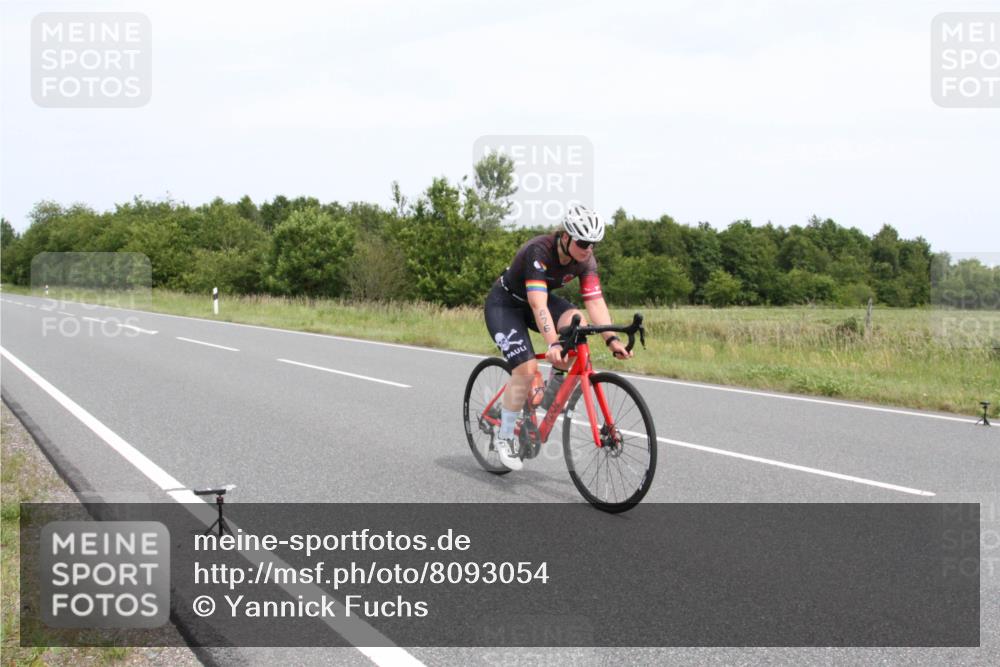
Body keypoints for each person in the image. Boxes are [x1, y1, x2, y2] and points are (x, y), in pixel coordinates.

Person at [483, 205, 632, 470]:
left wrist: (611, 340)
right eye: (583, 242)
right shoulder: (539, 251)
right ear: (565, 236)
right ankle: (504, 436)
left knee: (577, 324)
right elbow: (539, 305)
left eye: (594, 244)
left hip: (534, 303)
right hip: (506, 305)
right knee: (526, 369)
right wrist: (552, 343)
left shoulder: (586, 260)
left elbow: (595, 302)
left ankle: (551, 389)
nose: (588, 249)